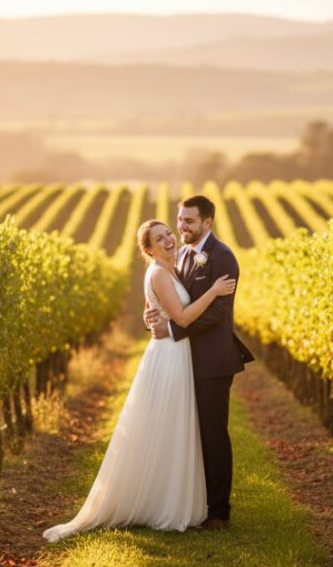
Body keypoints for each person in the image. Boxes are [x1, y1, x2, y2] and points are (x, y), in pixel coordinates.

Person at [42, 220, 236, 542]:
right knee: (170, 427)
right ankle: (163, 503)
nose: (169, 239)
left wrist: (152, 319)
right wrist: (214, 292)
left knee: (175, 429)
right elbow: (184, 318)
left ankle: (174, 498)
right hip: (171, 356)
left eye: (169, 234)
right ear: (148, 249)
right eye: (159, 238)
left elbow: (156, 311)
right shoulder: (159, 273)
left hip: (176, 353)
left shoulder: (173, 267)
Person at [145, 195, 254, 530]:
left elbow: (218, 314)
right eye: (180, 219)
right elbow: (168, 298)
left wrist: (172, 328)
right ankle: (192, 502)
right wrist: (153, 317)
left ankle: (220, 511)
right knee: (190, 433)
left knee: (213, 434)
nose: (181, 227)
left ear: (208, 222)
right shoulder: (184, 255)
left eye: (188, 221)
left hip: (212, 362)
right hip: (184, 360)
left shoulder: (223, 258)